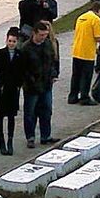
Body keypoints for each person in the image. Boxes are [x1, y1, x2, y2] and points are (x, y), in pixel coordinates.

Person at [19, 21, 59, 149]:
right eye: (41, 35)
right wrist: (31, 81)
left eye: (45, 35)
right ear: (34, 33)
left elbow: (52, 60)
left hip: (46, 83)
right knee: (30, 112)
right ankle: (30, 137)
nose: (43, 37)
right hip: (32, 87)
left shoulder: (47, 44)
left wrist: (53, 73)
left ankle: (45, 136)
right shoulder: (25, 48)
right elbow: (23, 70)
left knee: (47, 110)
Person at [0, 27, 23, 156]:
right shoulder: (0, 53)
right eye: (10, 41)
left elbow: (23, 71)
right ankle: (1, 141)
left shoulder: (20, 54)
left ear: (17, 42)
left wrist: (19, 85)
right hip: (2, 89)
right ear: (6, 40)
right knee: (0, 116)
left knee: (11, 116)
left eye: (14, 41)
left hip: (13, 89)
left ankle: (10, 140)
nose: (11, 43)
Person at [68, 0, 100, 105]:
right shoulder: (96, 19)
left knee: (76, 75)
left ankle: (73, 96)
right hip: (87, 53)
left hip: (77, 50)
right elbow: (98, 37)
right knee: (86, 76)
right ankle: (84, 97)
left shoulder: (81, 17)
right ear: (99, 10)